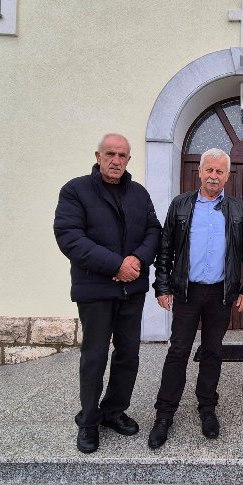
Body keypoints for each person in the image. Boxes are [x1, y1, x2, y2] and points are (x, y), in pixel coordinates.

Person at [54, 133, 161, 454]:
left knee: (128, 354)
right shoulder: (75, 191)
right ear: (98, 156)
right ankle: (88, 421)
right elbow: (70, 237)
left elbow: (154, 231)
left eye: (122, 155)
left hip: (132, 290)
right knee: (95, 356)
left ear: (129, 159)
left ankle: (114, 410)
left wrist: (137, 260)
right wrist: (116, 265)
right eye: (110, 154)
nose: (116, 160)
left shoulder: (139, 194)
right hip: (95, 289)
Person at [149, 148, 243, 449]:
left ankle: (207, 408)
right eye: (209, 170)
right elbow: (165, 248)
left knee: (212, 351)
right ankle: (164, 414)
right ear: (199, 172)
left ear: (227, 176)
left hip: (220, 293)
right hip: (187, 291)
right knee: (178, 351)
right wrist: (162, 286)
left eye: (219, 171)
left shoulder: (239, 210)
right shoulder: (181, 205)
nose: (213, 176)